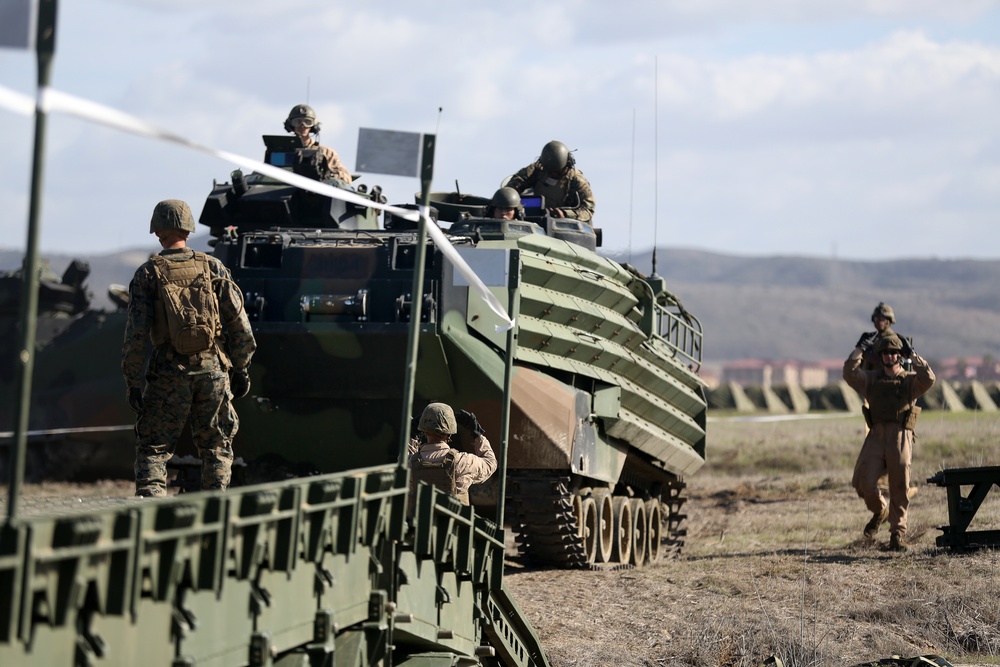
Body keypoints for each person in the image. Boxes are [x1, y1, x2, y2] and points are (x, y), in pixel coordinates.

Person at [122, 199, 257, 497]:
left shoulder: (147, 274)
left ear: (158, 230)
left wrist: (132, 381)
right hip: (213, 371)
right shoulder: (213, 267)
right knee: (216, 448)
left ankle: (149, 517)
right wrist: (242, 367)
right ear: (188, 227)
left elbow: (136, 336)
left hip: (168, 373)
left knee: (154, 449)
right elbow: (240, 325)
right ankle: (214, 516)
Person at [843, 333, 935, 551]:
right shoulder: (872, 380)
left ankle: (897, 534)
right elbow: (849, 373)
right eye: (885, 352)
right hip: (875, 435)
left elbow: (929, 378)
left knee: (899, 485)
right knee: (862, 481)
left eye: (893, 352)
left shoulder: (910, 380)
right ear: (880, 356)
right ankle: (880, 510)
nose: (889, 356)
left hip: (899, 436)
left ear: (900, 356)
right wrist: (859, 349)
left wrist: (913, 354)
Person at [407, 402, 497, 506]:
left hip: (420, 521)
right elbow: (490, 464)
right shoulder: (462, 462)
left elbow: (404, 462)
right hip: (455, 521)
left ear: (423, 430)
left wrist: (412, 436)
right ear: (449, 432)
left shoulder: (410, 463)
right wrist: (477, 435)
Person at [505, 140, 595, 223]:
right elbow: (512, 187)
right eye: (549, 171)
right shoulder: (537, 170)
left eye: (557, 172)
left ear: (568, 164)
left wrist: (566, 214)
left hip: (566, 224)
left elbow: (588, 210)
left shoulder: (578, 181)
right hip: (535, 220)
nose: (552, 174)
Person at [284, 103, 352, 184]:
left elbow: (347, 178)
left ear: (314, 126)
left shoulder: (326, 152)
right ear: (291, 125)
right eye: (297, 122)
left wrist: (328, 175)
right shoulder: (282, 151)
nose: (302, 126)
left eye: (307, 122)